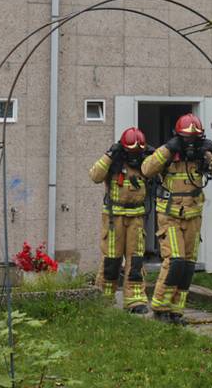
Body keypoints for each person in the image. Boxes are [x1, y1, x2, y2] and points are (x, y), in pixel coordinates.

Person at [140, 113, 212, 324]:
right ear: (177, 136)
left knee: (188, 265)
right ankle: (160, 308)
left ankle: (176, 311)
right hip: (170, 216)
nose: (190, 143)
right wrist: (169, 148)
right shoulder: (169, 154)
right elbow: (146, 169)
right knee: (175, 261)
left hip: (193, 218)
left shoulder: (202, 156)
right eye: (185, 139)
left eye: (194, 139)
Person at [88, 127, 150, 314]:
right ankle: (105, 298)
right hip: (114, 219)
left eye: (137, 152)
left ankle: (135, 300)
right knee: (112, 260)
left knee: (136, 261)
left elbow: (160, 168)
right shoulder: (113, 161)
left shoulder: (145, 162)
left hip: (136, 219)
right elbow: (95, 176)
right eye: (130, 152)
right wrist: (109, 154)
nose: (134, 156)